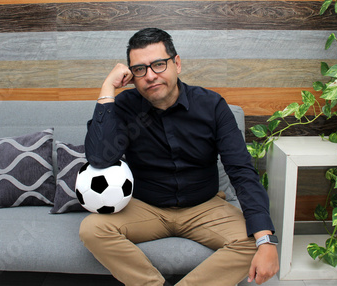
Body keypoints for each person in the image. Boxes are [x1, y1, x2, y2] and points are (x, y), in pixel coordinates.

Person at [80, 28, 279, 286]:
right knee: (91, 229)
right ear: (132, 75)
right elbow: (99, 157)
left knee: (257, 242)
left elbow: (241, 171)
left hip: (203, 206)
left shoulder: (212, 106)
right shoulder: (126, 106)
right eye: (139, 69)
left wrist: (266, 240)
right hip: (146, 208)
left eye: (159, 65)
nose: (150, 76)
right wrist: (107, 88)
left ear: (177, 63)